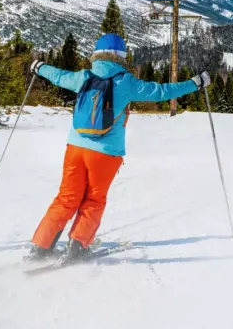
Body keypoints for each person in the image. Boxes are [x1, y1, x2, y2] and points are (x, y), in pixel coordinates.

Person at [26, 32, 211, 261]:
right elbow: (163, 91)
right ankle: (77, 247)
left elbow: (58, 75)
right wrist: (195, 83)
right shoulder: (126, 82)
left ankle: (41, 246)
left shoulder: (83, 76)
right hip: (105, 153)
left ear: (97, 54)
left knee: (66, 197)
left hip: (75, 148)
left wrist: (39, 66)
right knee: (94, 199)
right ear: (120, 56)